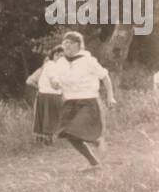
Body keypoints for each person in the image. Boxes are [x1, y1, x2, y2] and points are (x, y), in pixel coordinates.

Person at [49, 31, 115, 169]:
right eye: (64, 43)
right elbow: (54, 78)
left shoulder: (89, 61)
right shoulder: (60, 62)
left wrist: (110, 95)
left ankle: (97, 140)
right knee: (67, 134)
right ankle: (94, 163)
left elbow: (104, 77)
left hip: (88, 101)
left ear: (78, 45)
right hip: (69, 103)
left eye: (70, 43)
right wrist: (54, 82)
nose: (66, 45)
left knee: (75, 130)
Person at [26, 46, 64, 144]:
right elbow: (30, 81)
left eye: (62, 56)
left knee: (50, 118)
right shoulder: (50, 64)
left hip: (53, 95)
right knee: (45, 117)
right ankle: (44, 139)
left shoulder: (61, 67)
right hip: (47, 94)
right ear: (53, 55)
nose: (59, 57)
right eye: (57, 55)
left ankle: (47, 139)